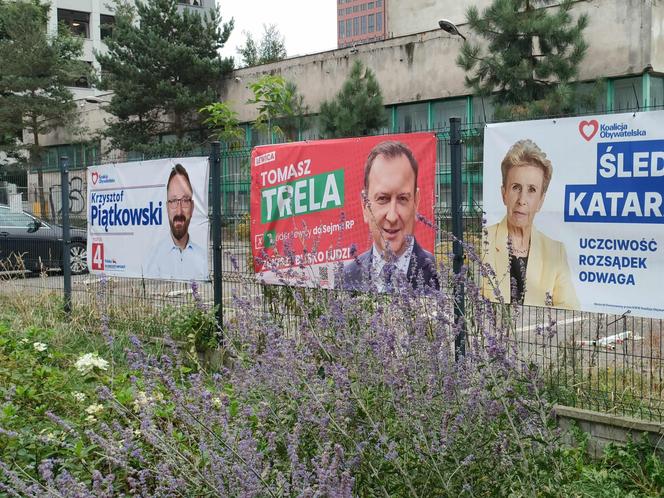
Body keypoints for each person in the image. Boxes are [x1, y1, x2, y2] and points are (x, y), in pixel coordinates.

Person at [482, 139, 579, 309]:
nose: (522, 200)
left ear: (541, 200)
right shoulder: (482, 243)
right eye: (516, 187)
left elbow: (570, 310)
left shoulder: (555, 251)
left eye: (532, 190)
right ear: (504, 193)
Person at [342, 140, 439, 292]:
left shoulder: (441, 277)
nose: (392, 216)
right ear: (365, 206)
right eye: (383, 199)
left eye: (402, 199)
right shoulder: (347, 278)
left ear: (416, 203)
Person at [144, 164, 207, 280]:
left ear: (192, 207)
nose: (179, 211)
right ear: (167, 207)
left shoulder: (203, 258)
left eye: (185, 201)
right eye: (173, 201)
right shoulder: (153, 259)